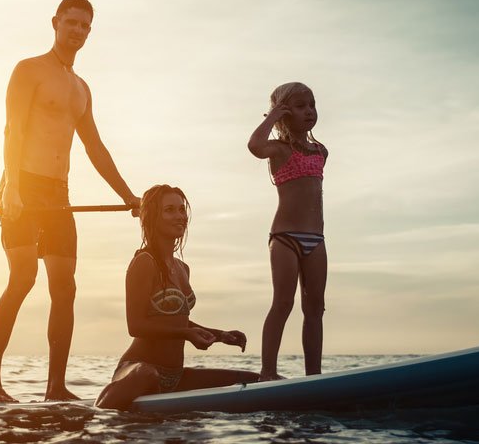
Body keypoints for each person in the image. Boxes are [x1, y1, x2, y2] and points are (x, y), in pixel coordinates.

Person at [0, 0, 141, 404]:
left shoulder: (82, 89)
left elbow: (95, 149)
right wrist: (12, 186)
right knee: (22, 279)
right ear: (55, 23)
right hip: (22, 184)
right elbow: (12, 129)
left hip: (58, 194)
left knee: (64, 288)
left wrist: (129, 196)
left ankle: (56, 388)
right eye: (71, 22)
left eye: (85, 26)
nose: (78, 31)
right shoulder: (28, 70)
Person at [95, 185, 258, 410]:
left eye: (182, 210)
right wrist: (186, 334)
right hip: (136, 371)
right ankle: (97, 413)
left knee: (252, 380)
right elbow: (136, 326)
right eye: (170, 210)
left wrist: (220, 335)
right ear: (153, 217)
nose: (180, 216)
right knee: (146, 374)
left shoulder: (183, 268)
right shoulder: (144, 262)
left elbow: (178, 322)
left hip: (175, 376)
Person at [247, 82, 328, 380]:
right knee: (283, 302)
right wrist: (272, 117)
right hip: (285, 238)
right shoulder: (278, 149)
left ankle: (314, 376)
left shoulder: (321, 151)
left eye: (312, 104)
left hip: (315, 240)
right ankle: (267, 372)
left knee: (315, 308)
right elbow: (254, 145)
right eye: (299, 106)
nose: (308, 111)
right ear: (284, 113)